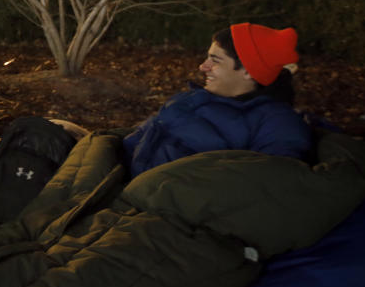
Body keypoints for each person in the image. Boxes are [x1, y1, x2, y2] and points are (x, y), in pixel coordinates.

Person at [122, 22, 312, 177]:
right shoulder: (191, 99)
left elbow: (267, 186)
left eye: (215, 60)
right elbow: (135, 140)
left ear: (248, 71)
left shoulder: (277, 124)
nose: (203, 66)